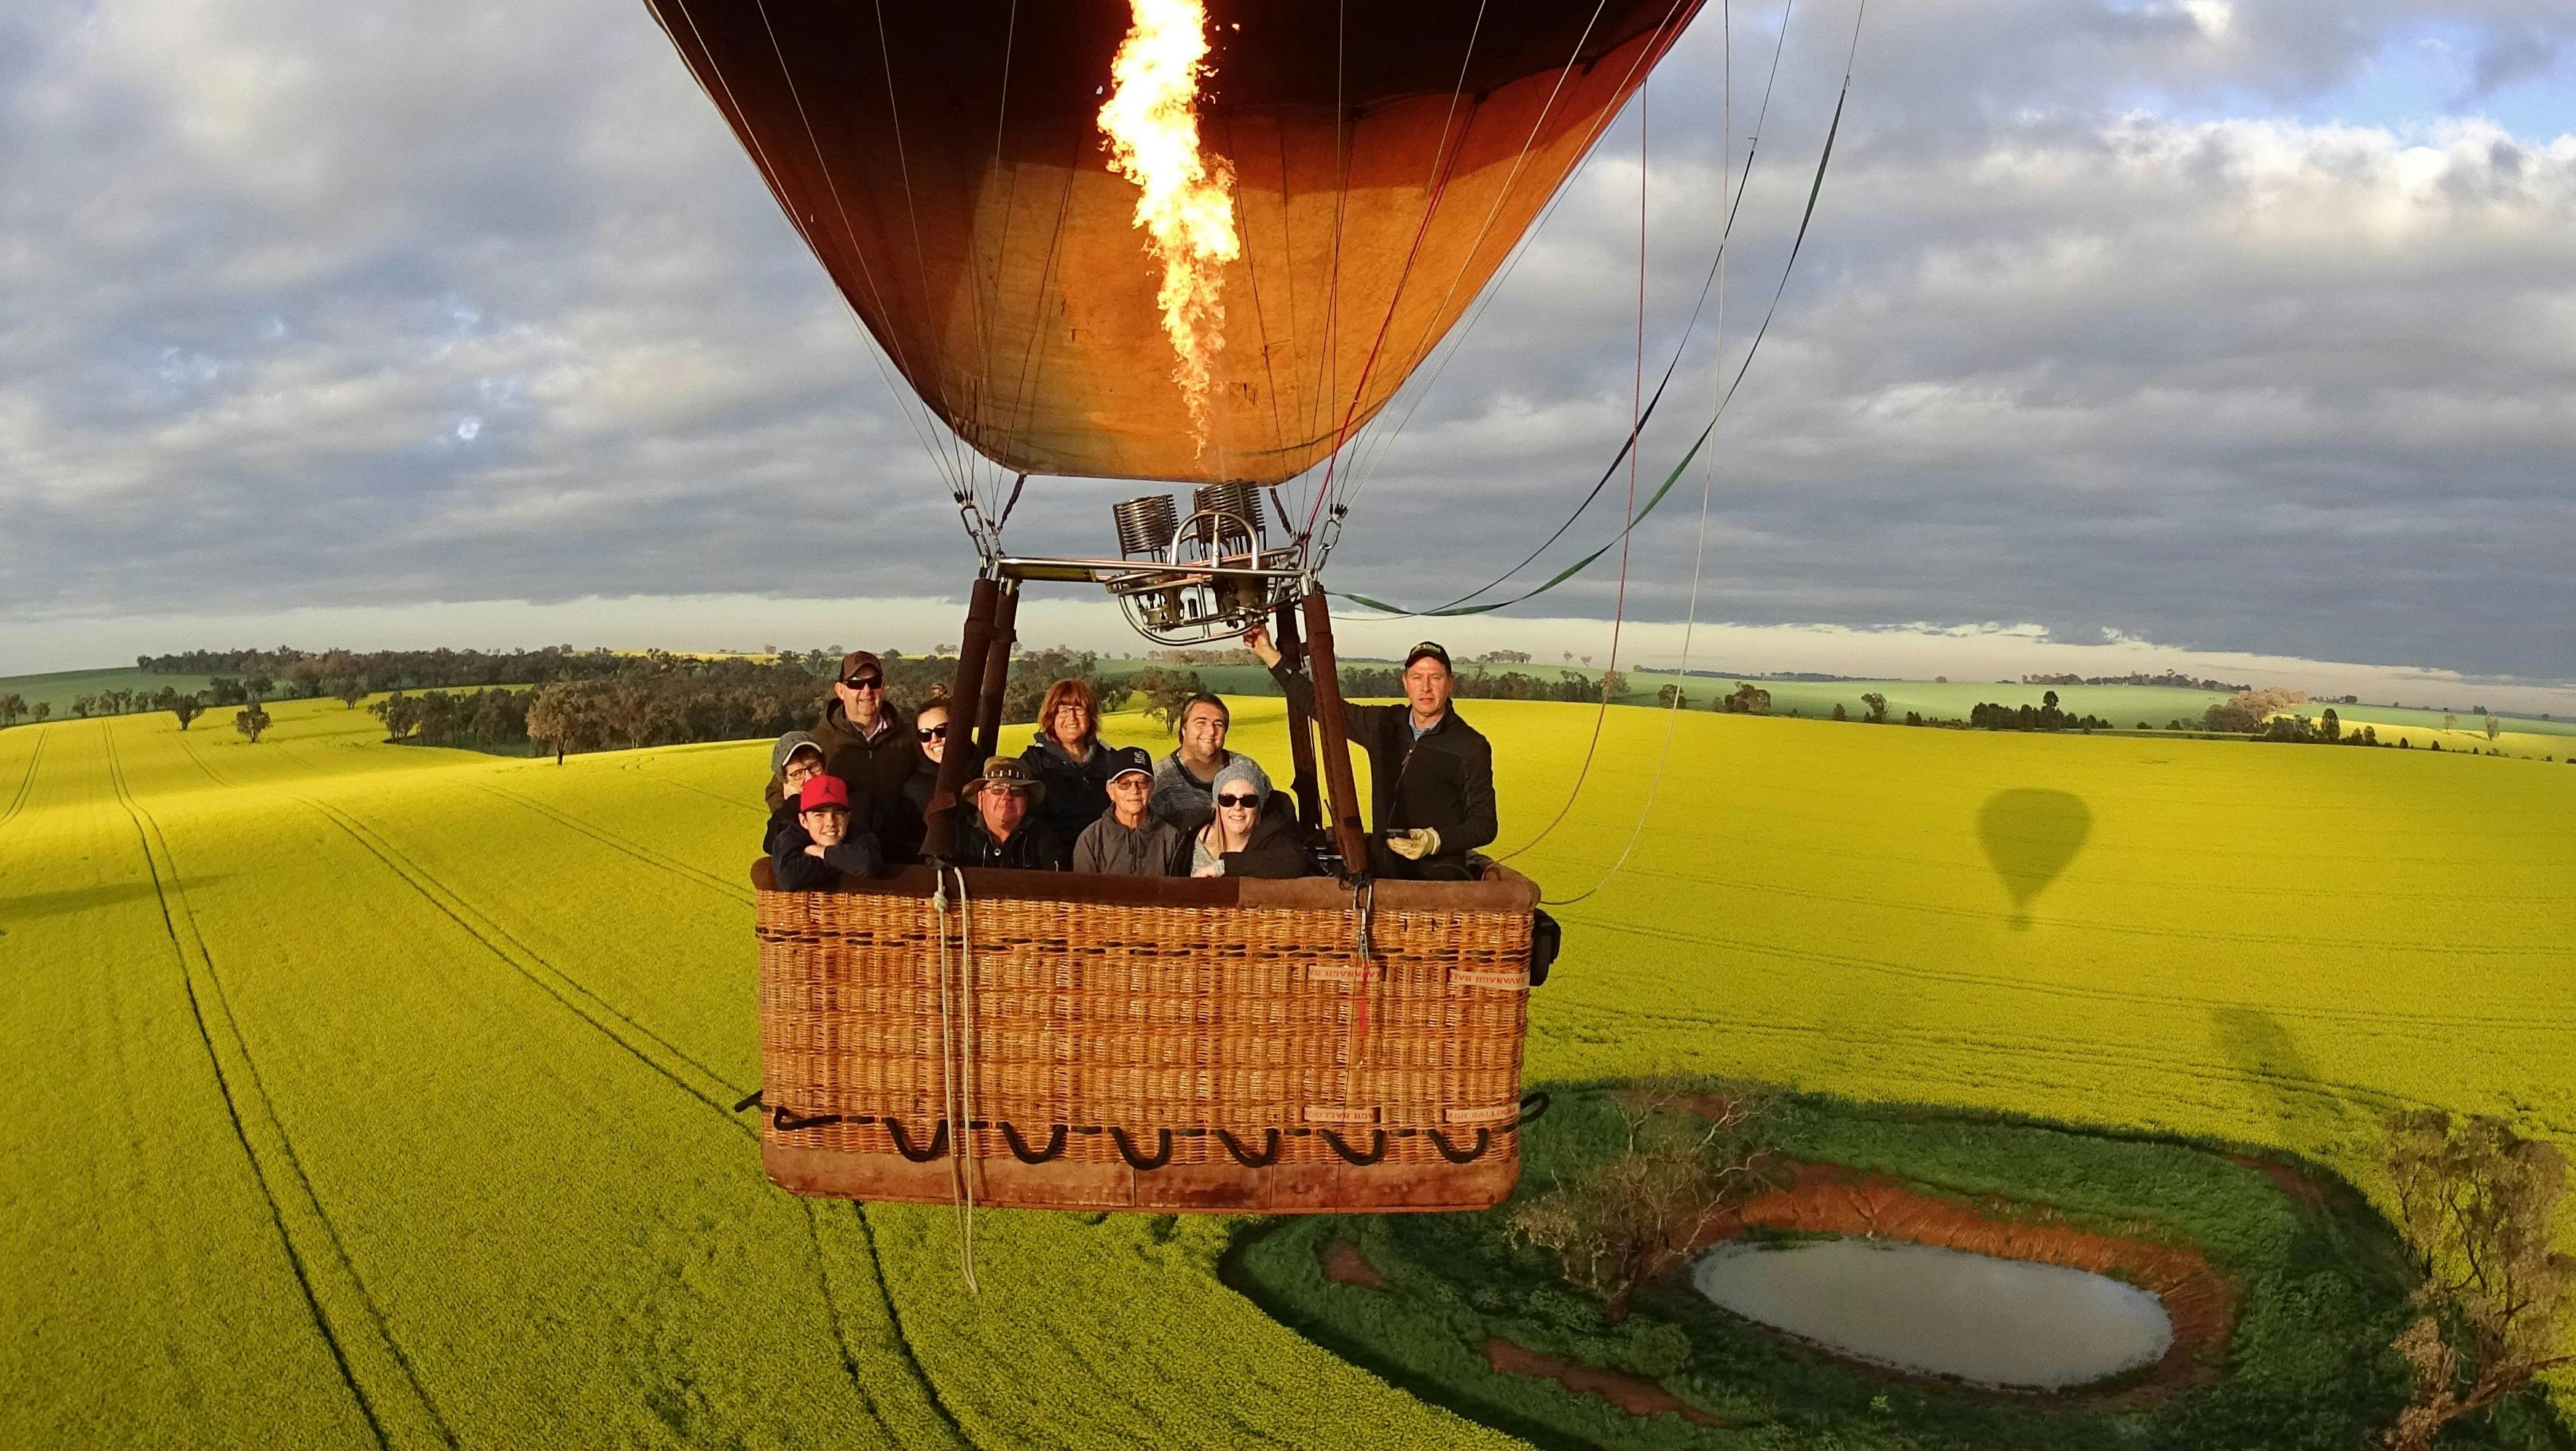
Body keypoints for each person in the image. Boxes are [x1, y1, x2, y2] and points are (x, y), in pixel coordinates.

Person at [1245, 627, 1495, 880]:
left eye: (1436, 678)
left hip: (1438, 881)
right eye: (1417, 678)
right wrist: (1268, 653)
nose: (1426, 688)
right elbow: (1325, 709)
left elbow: (1485, 825)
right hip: (1383, 875)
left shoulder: (1470, 746)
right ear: (1405, 682)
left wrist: (1434, 841)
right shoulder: (1383, 724)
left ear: (1450, 683)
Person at [812, 649, 924, 861]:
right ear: (840, 690)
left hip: (903, 859)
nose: (867, 691)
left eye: (874, 683)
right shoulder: (819, 742)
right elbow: (781, 789)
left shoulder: (911, 736)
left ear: (883, 688)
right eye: (856, 684)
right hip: (846, 859)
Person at [1020, 678, 1118, 842]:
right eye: (1063, 710)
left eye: (1079, 709)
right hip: (1052, 852)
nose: (1072, 717)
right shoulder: (1033, 762)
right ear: (1051, 717)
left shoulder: (1110, 759)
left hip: (1104, 850)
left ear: (1090, 716)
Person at [1187, 758, 1311, 879]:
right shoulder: (1196, 840)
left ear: (1259, 806)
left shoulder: (1273, 834)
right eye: (1227, 799)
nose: (1237, 807)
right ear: (1217, 805)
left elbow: (1295, 862)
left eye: (1248, 800)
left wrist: (1223, 867)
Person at [1072, 746, 1187, 876]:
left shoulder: (1171, 837)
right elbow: (1084, 888)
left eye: (1142, 782)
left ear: (1152, 787)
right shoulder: (1091, 839)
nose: (1134, 790)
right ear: (1110, 790)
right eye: (1124, 784)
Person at [769, 775, 884, 890]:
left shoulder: (857, 831)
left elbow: (868, 863)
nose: (831, 822)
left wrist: (820, 851)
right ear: (804, 821)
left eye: (838, 813)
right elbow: (788, 878)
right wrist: (845, 861)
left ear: (848, 817)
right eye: (820, 815)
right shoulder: (791, 836)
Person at [951, 756, 1064, 870]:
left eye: (1016, 791)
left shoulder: (1045, 840)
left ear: (1026, 802)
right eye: (997, 789)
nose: (1007, 796)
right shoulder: (957, 834)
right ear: (981, 798)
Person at [1149, 692, 1236, 830]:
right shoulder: (1157, 780)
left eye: (1218, 724)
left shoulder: (1247, 771)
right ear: (1184, 729)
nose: (1211, 731)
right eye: (1201, 723)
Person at [899, 691, 953, 847]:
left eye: (942, 731)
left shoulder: (985, 773)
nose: (935, 740)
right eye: (925, 735)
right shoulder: (914, 791)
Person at [763, 731, 828, 857]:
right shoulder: (784, 808)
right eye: (798, 774)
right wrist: (794, 801)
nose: (809, 778)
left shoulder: (845, 799)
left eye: (814, 767)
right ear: (785, 781)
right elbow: (772, 844)